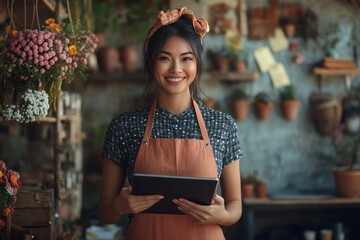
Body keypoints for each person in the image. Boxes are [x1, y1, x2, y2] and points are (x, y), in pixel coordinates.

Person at [99, 6, 243, 239]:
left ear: (197, 64)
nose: (176, 69)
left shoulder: (222, 124)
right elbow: (105, 212)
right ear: (151, 63)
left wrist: (222, 216)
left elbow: (235, 204)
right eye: (165, 58)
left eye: (186, 59)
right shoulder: (124, 126)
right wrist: (118, 206)